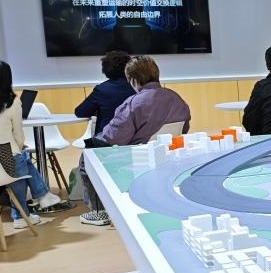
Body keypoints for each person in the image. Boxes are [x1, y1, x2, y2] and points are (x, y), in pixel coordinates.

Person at [78, 55, 191, 226]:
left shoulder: (133, 103)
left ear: (133, 80)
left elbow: (114, 137)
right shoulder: (176, 98)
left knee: (86, 159)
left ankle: (100, 212)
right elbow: (184, 128)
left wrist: (96, 139)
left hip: (136, 155)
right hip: (168, 153)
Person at [0, 60, 63, 229]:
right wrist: (19, 148)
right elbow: (18, 137)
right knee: (20, 157)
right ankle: (25, 211)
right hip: (5, 163)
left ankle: (41, 197)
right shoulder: (12, 103)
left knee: (20, 157)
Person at [74, 50, 136, 133]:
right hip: (135, 137)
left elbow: (80, 112)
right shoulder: (138, 87)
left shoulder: (102, 89)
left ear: (106, 69)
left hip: (107, 137)